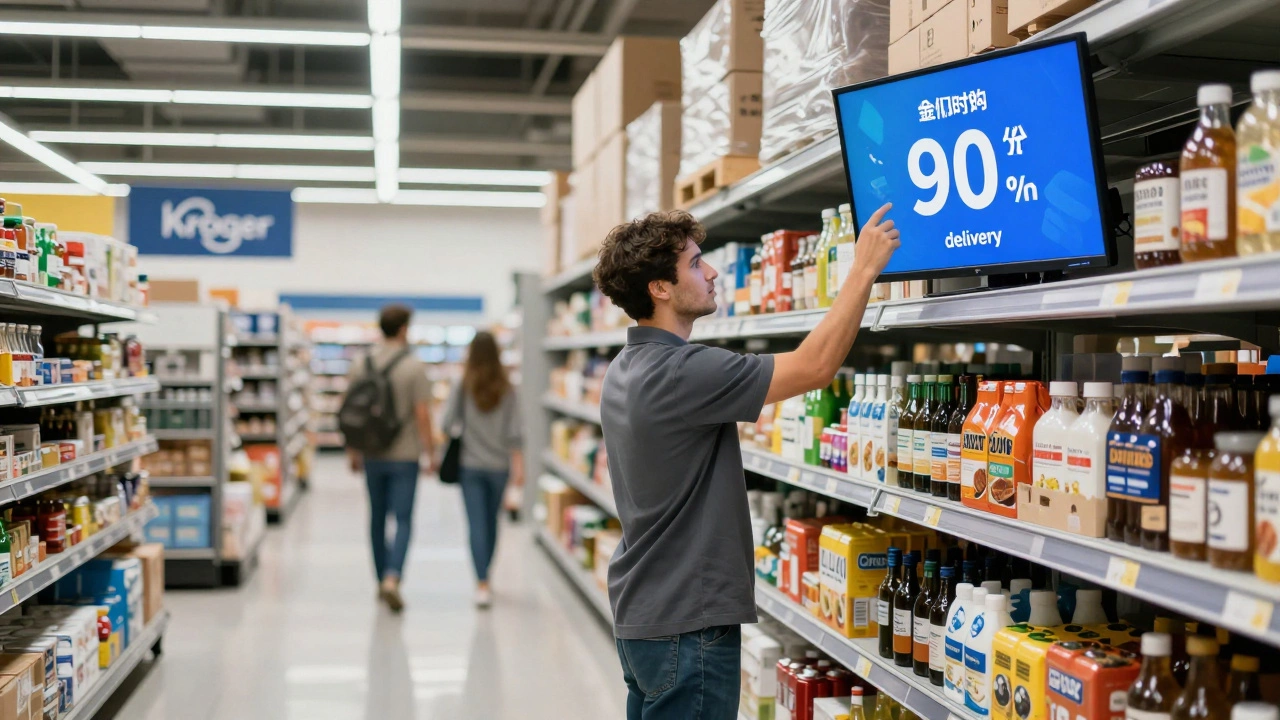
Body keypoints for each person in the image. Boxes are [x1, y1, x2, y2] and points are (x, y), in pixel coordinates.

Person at [593, 205, 899, 718]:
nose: (711, 272)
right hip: (688, 622)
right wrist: (863, 269)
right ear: (659, 289)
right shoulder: (681, 371)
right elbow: (815, 366)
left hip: (645, 612)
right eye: (695, 263)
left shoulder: (625, 367)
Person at [345, 304, 437, 613]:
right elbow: (422, 415)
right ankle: (393, 578)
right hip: (405, 455)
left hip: (372, 453)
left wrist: (352, 451)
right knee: (404, 519)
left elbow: (351, 414)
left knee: (376, 517)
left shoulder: (362, 363)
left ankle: (379, 578)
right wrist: (430, 453)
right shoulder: (413, 366)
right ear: (403, 329)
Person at [441, 330, 524, 608]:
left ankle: (481, 583)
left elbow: (446, 423)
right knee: (491, 524)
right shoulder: (508, 388)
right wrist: (519, 467)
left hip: (470, 465)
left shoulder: (463, 385)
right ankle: (486, 575)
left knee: (475, 524)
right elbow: (515, 432)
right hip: (499, 466)